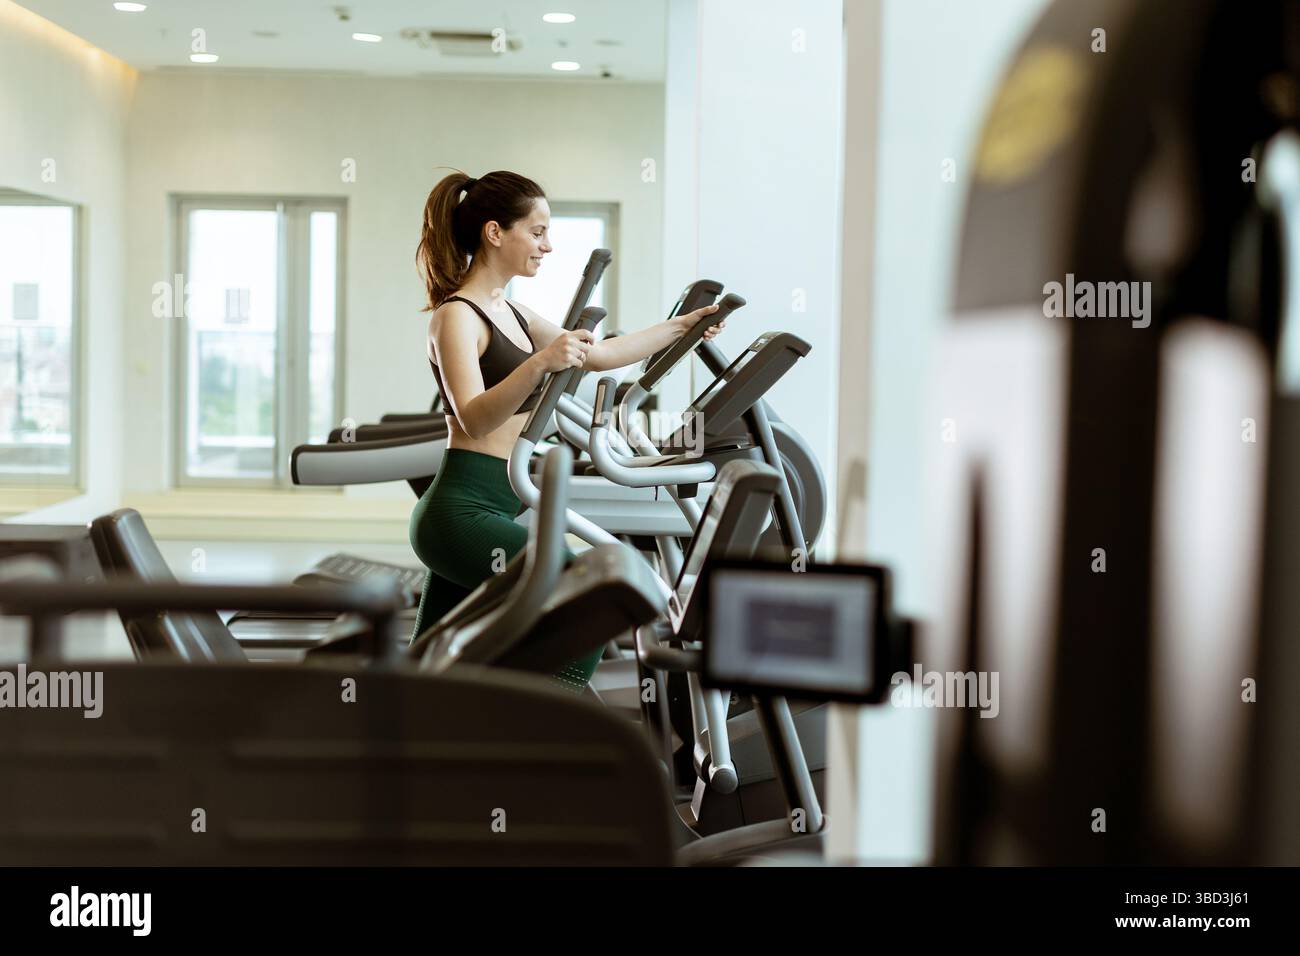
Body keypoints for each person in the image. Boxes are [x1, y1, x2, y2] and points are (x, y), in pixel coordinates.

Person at [410, 169, 725, 689]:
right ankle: (544, 745)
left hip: (490, 502)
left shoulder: (509, 310)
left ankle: (419, 754)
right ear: (495, 233)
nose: (548, 246)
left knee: (431, 672)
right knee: (583, 607)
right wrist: (539, 364)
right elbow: (473, 415)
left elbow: (598, 354)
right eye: (537, 232)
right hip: (459, 512)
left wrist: (685, 326)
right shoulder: (456, 317)